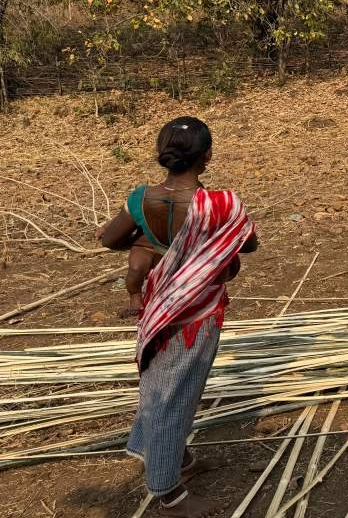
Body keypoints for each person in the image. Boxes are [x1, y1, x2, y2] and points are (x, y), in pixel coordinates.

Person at [98, 116, 257, 517]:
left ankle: (178, 458)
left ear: (162, 154)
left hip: (156, 309)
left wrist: (150, 243)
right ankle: (168, 492)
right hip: (196, 312)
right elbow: (249, 244)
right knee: (175, 394)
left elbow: (110, 239)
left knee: (164, 383)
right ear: (207, 156)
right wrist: (198, 247)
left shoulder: (141, 199)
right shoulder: (221, 205)